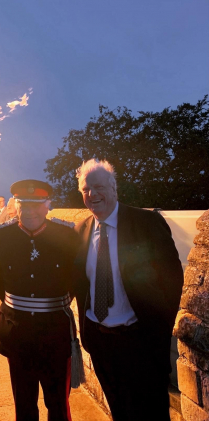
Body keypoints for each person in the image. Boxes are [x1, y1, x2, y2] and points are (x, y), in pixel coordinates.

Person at [73, 159, 183, 421]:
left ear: (113, 188)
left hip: (139, 342)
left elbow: (172, 278)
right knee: (119, 410)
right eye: (86, 190)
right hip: (100, 342)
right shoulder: (81, 231)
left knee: (153, 412)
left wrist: (157, 333)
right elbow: (78, 283)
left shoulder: (146, 222)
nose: (92, 194)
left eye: (98, 187)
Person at [0, 179, 80, 421]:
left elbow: (76, 279)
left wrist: (53, 304)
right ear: (15, 206)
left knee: (58, 404)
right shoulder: (2, 236)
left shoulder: (66, 235)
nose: (29, 211)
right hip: (17, 333)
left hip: (55, 334)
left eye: (35, 205)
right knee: (24, 405)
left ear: (47, 206)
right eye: (23, 205)